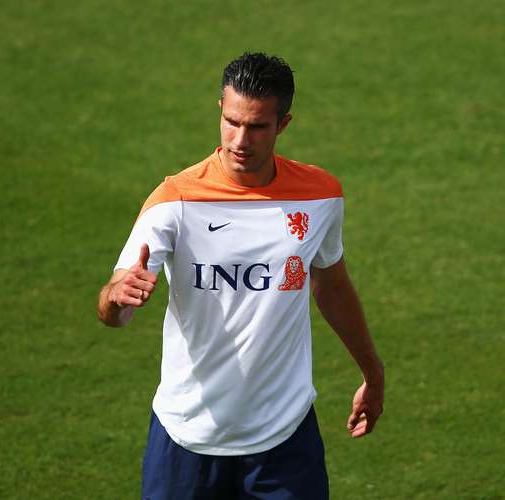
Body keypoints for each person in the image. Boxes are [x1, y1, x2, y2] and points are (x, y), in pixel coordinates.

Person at [96, 52, 384, 500]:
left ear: (283, 124)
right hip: (187, 436)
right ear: (220, 110)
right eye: (231, 122)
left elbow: (331, 285)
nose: (240, 140)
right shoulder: (174, 201)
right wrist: (117, 299)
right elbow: (114, 308)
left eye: (257, 127)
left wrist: (372, 370)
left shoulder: (320, 196)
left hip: (284, 438)